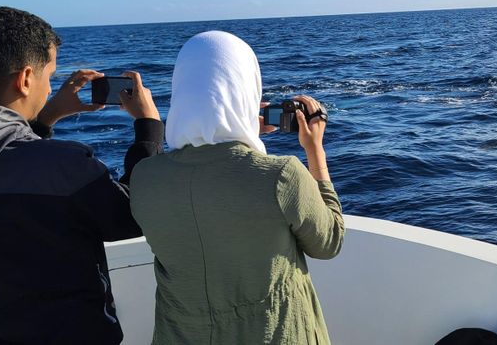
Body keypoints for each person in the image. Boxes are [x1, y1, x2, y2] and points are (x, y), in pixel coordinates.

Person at [0, 7, 164, 344]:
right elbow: (134, 215)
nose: (50, 87)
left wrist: (45, 117)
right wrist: (149, 128)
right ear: (25, 79)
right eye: (49, 76)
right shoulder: (63, 165)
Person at [129, 31, 344, 345]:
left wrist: (242, 130)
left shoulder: (146, 176)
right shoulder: (281, 175)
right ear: (247, 89)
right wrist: (315, 151)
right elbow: (329, 242)